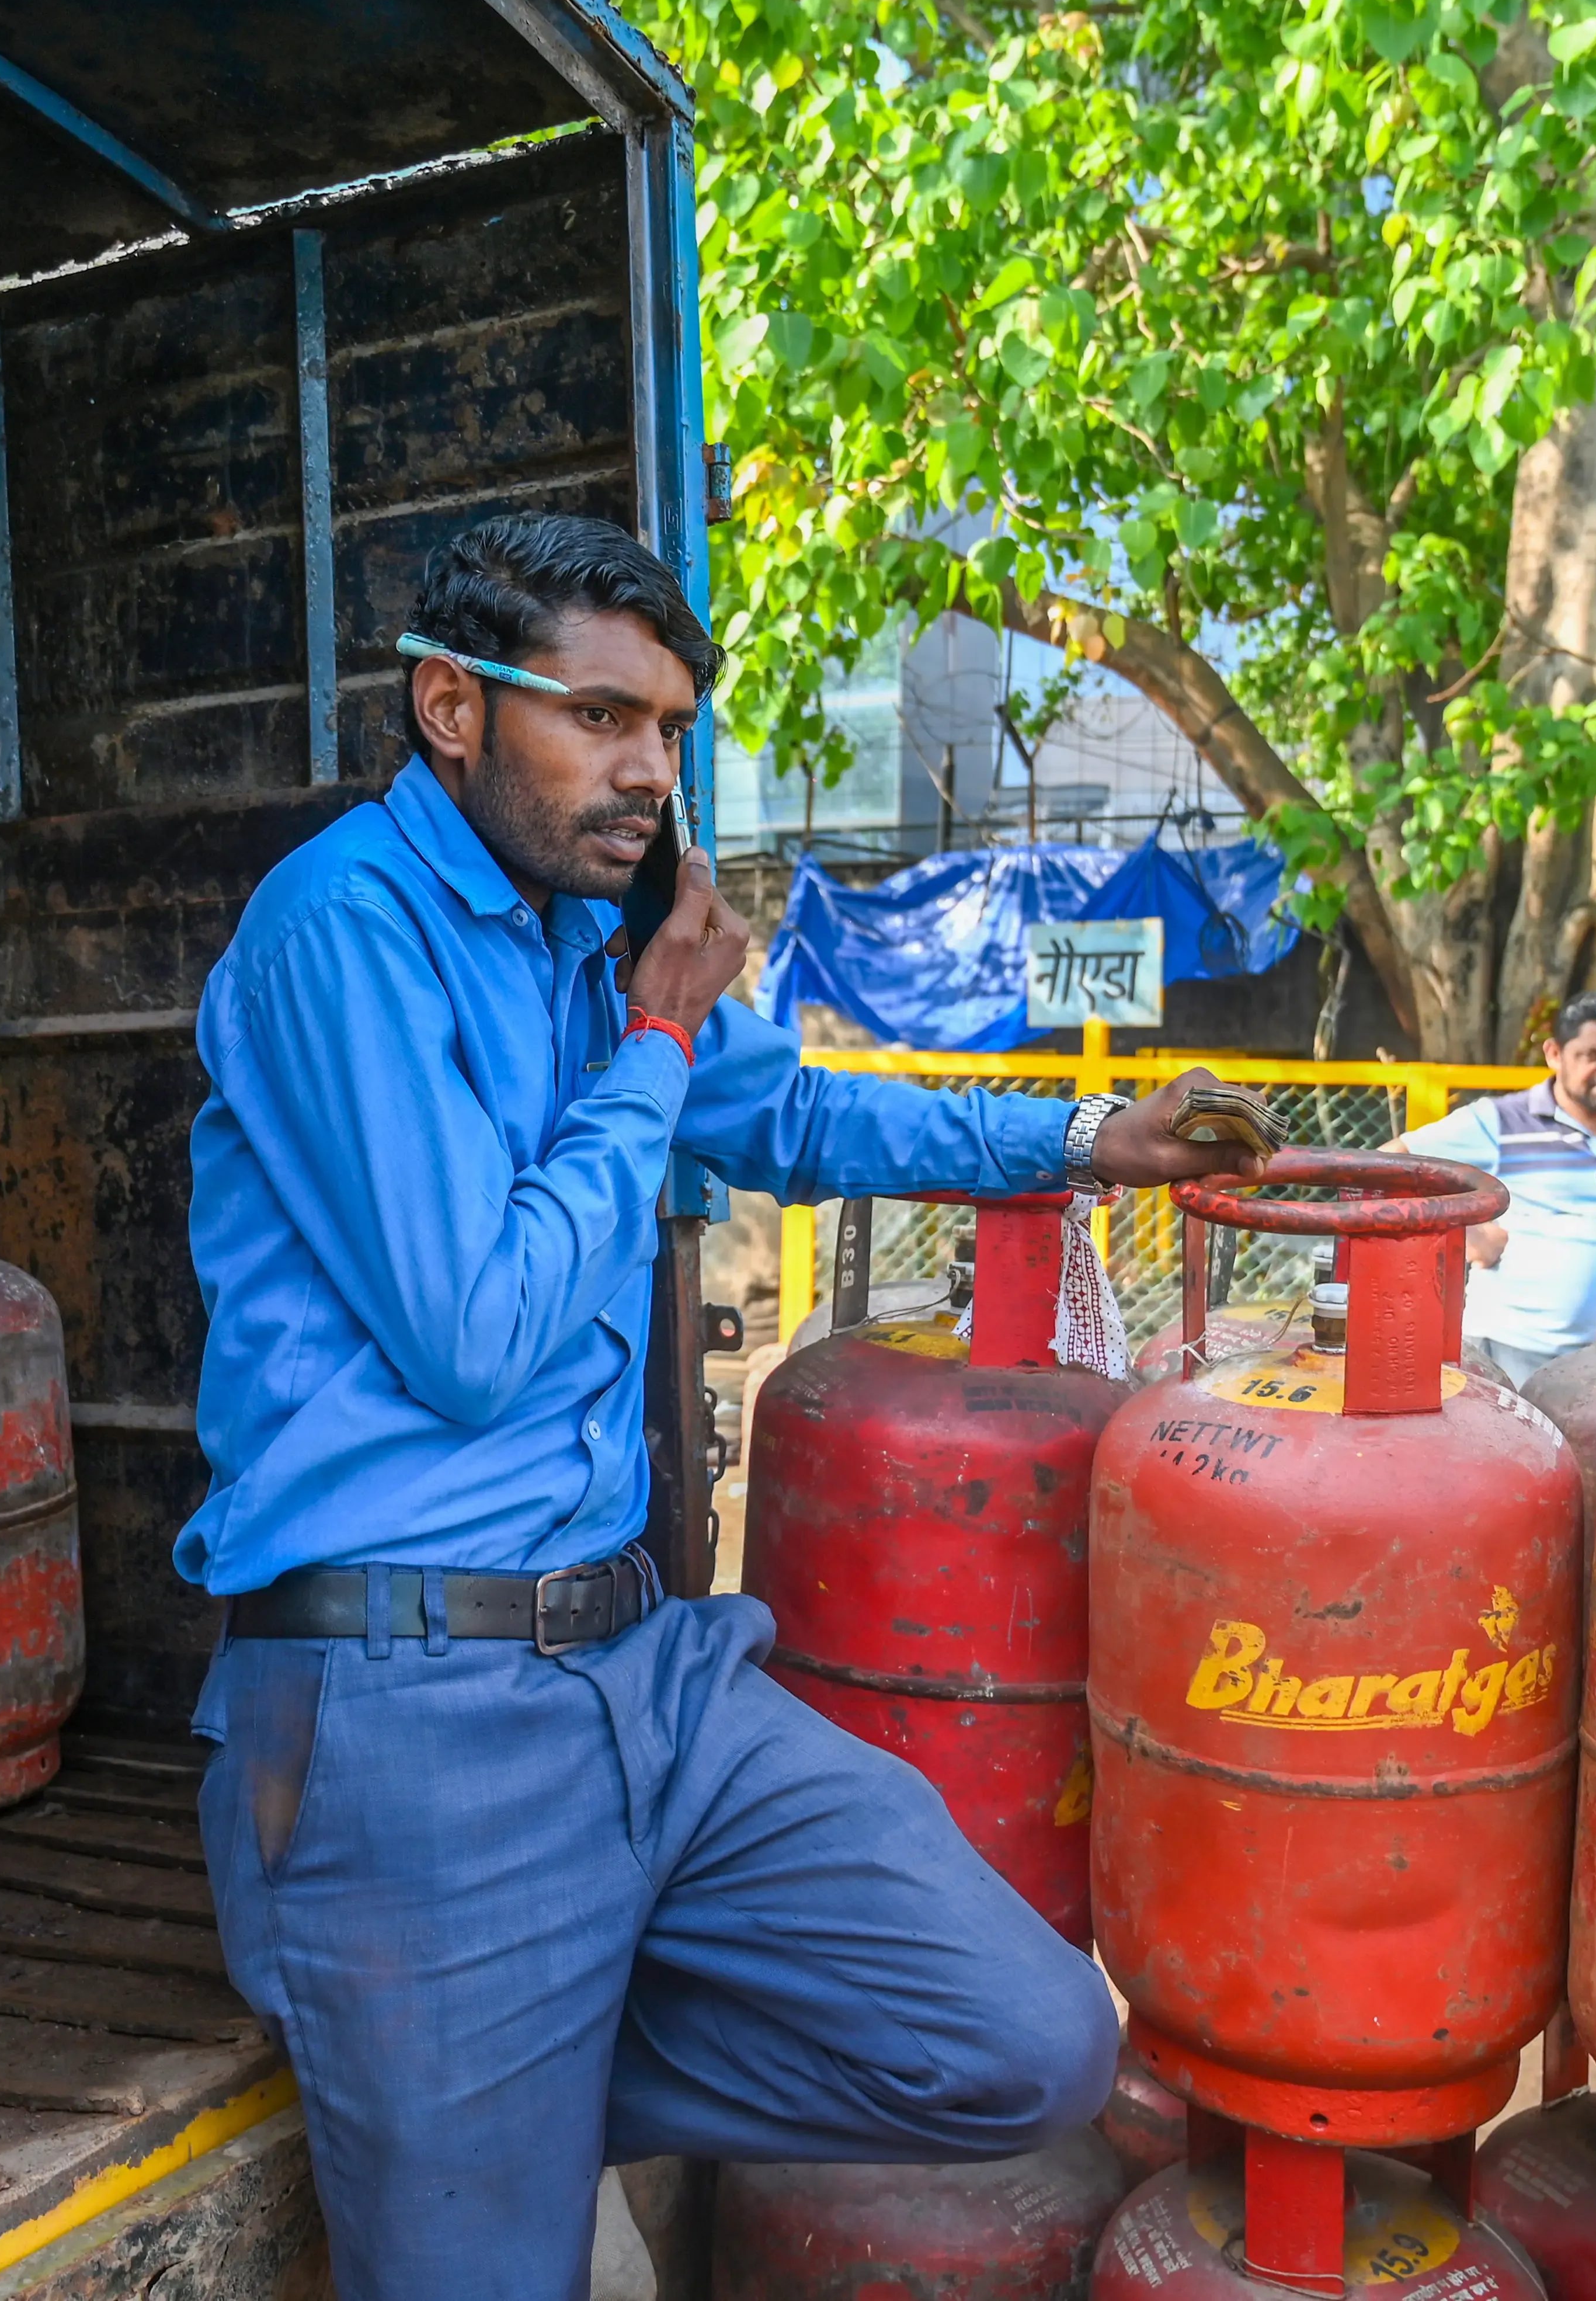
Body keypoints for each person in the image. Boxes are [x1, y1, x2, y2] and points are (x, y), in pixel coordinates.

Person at [180, 513, 1265, 2301]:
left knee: (1025, 2040)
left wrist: (1082, 1138)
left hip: (637, 1675)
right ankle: (448, 2092)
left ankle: (478, 2092)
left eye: (671, 730)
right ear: (449, 708)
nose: (647, 771)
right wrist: (658, 1048)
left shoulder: (589, 941)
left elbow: (809, 1118)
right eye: (600, 718)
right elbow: (474, 1327)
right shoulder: (338, 931)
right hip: (409, 1707)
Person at [1395, 993, 1596, 1386]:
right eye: (1592, 1055)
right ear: (1554, 1054)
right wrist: (1460, 1228)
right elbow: (1387, 1168)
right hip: (1505, 1353)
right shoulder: (1503, 1120)